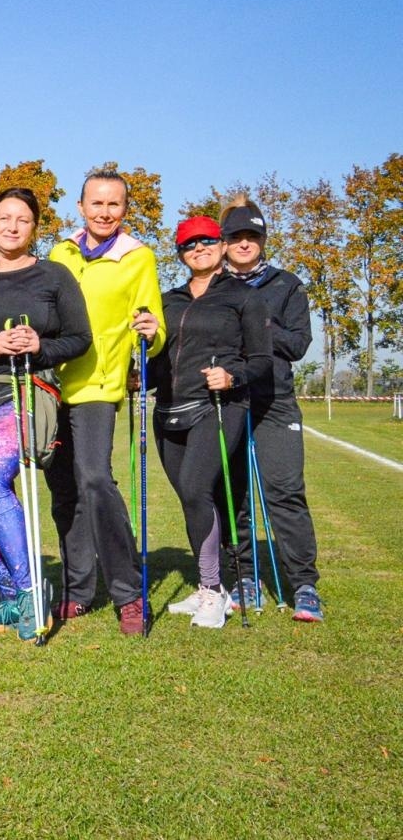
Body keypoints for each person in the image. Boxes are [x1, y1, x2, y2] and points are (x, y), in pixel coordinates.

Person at [0, 188, 91, 639]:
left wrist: (40, 346)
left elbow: (79, 337)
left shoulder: (53, 275)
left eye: (23, 220)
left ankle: (33, 591)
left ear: (35, 227)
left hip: (27, 392)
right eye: (4, 218)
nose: (12, 226)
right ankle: (9, 599)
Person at [45, 168, 165, 635]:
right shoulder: (60, 252)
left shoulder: (138, 257)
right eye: (96, 203)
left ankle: (128, 593)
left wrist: (152, 335)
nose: (105, 211)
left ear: (125, 210)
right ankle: (77, 591)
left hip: (99, 384)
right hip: (53, 383)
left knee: (95, 480)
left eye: (114, 204)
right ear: (81, 207)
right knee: (64, 492)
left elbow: (152, 327)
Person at [152, 216, 271, 627]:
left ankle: (211, 590)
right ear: (181, 254)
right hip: (169, 410)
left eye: (206, 241)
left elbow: (261, 360)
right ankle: (212, 587)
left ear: (221, 246)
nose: (198, 249)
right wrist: (141, 373)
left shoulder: (244, 297)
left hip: (220, 406)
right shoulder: (168, 299)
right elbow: (160, 357)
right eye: (188, 245)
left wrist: (232, 376)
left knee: (195, 487)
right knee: (190, 498)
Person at [219, 197, 323, 621]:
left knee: (285, 492)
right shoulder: (212, 287)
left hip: (276, 402)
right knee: (233, 496)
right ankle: (243, 576)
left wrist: (257, 322)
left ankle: (303, 584)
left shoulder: (286, 284)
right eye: (236, 236)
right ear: (224, 242)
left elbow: (298, 345)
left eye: (252, 237)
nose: (244, 243)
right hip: (228, 400)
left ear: (263, 241)